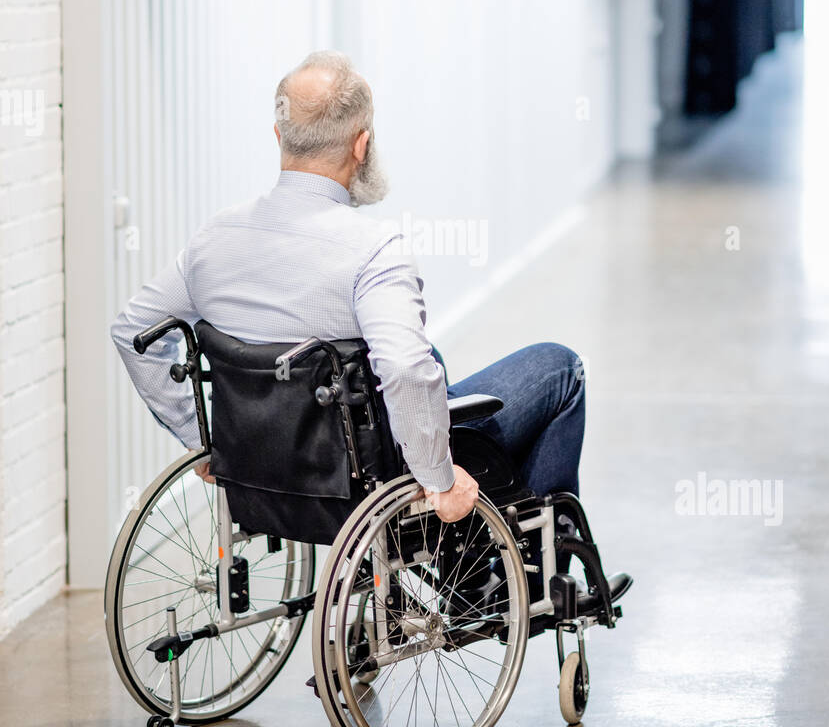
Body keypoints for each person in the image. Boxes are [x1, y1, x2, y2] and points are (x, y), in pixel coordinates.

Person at [110, 52, 586, 537]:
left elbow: (132, 331)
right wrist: (438, 480)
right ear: (361, 145)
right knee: (560, 367)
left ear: (280, 136)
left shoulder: (214, 239)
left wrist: (207, 440)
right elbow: (402, 368)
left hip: (258, 469)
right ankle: (540, 564)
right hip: (364, 474)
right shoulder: (374, 251)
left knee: (430, 359)